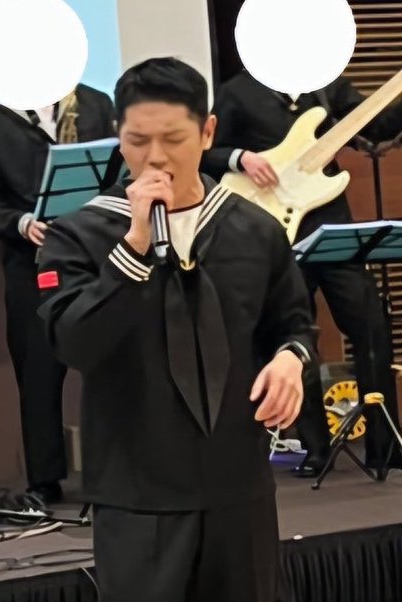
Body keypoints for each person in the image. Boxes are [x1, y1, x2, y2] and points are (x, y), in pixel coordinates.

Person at [37, 57, 315, 602]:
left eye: (173, 139)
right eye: (138, 140)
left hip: (239, 487)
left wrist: (291, 358)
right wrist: (134, 248)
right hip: (138, 496)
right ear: (117, 137)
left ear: (208, 132)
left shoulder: (254, 229)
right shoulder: (78, 236)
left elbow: (294, 324)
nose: (156, 157)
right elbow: (73, 343)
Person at [202, 68, 402, 476]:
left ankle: (385, 447)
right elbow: (205, 152)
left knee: (371, 326)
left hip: (332, 226)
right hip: (274, 231)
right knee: (293, 336)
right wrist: (240, 158)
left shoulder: (326, 83)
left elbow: (376, 127)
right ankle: (315, 449)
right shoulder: (236, 91)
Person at [0, 82, 115, 503]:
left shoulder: (95, 104)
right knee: (38, 374)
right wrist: (20, 223)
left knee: (113, 366)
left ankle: (116, 469)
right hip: (31, 264)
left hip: (99, 256)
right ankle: (44, 480)